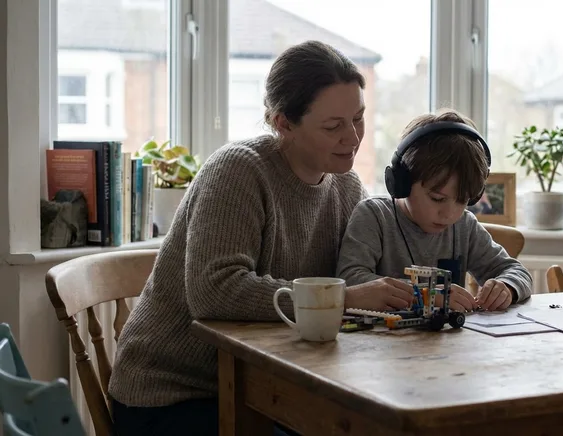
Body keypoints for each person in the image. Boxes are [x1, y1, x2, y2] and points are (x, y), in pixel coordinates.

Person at [107, 40, 415, 436]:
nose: (352, 138)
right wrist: (346, 299)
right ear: (283, 122)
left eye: (358, 118)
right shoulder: (239, 171)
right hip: (172, 396)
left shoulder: (346, 188)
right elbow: (214, 291)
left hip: (270, 389)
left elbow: (365, 276)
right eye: (332, 125)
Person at [336, 110, 533, 312]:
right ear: (402, 182)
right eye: (437, 198)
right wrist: (425, 294)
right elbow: (350, 281)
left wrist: (506, 287)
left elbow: (516, 271)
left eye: (462, 200)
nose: (449, 214)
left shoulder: (464, 225)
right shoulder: (374, 216)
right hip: (380, 341)